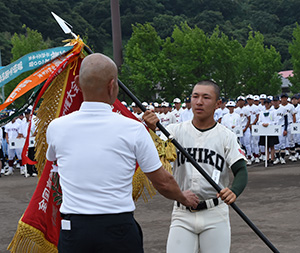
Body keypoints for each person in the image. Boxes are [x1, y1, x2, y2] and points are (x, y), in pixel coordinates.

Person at [46, 53, 199, 253]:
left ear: (77, 82)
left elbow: (52, 162)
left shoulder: (56, 127)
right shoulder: (133, 129)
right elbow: (162, 181)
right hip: (117, 228)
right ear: (113, 86)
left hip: (74, 230)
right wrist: (183, 197)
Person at [143, 80, 248, 253]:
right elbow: (153, 158)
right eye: (195, 96)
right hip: (182, 212)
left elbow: (241, 169)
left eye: (206, 97)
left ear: (218, 104)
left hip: (215, 212)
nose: (199, 102)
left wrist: (234, 190)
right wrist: (152, 131)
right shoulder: (173, 132)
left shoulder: (226, 136)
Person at [257, 98, 279, 166]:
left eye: (267, 103)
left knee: (272, 145)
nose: (266, 105)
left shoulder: (273, 111)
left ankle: (272, 159)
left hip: (271, 129)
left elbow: (276, 121)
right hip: (264, 130)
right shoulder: (262, 112)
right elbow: (259, 121)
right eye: (265, 103)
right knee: (266, 146)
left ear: (270, 104)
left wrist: (269, 124)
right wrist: (262, 124)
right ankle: (267, 158)